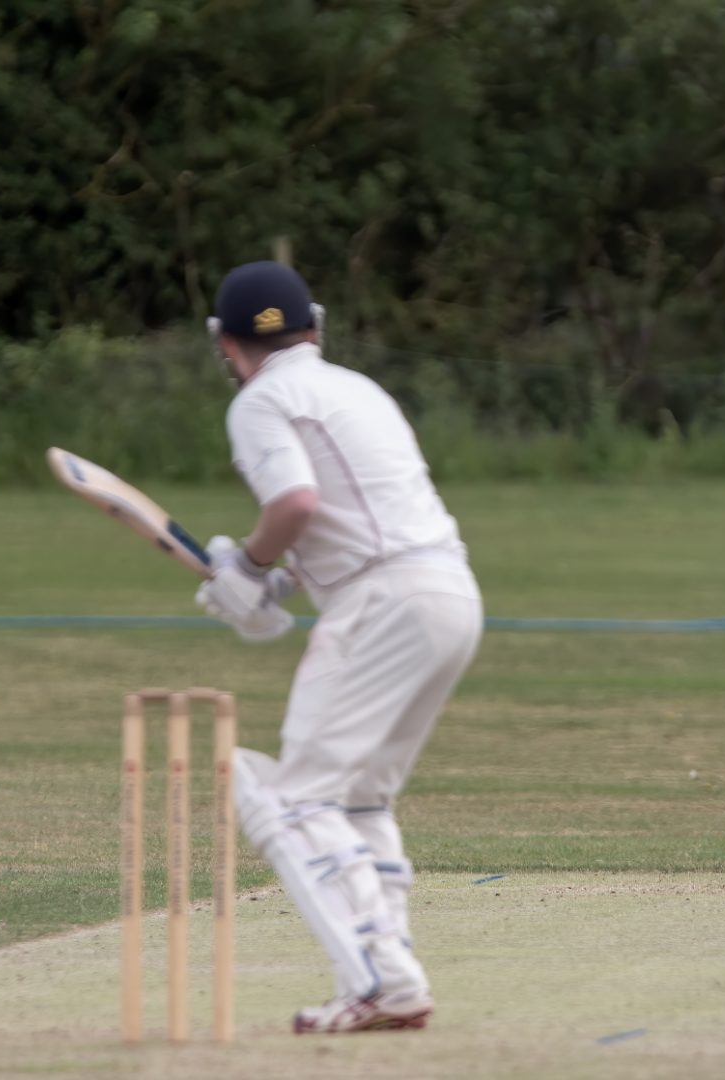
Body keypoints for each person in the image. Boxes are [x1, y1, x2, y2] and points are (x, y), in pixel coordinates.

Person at [193, 261, 483, 1032]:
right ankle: (394, 977)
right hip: (449, 594)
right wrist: (271, 580)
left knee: (293, 798)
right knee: (359, 798)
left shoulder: (261, 400)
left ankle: (378, 982)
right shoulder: (359, 390)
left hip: (381, 604)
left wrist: (246, 568)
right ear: (313, 326)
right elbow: (355, 517)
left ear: (226, 343)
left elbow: (296, 501)